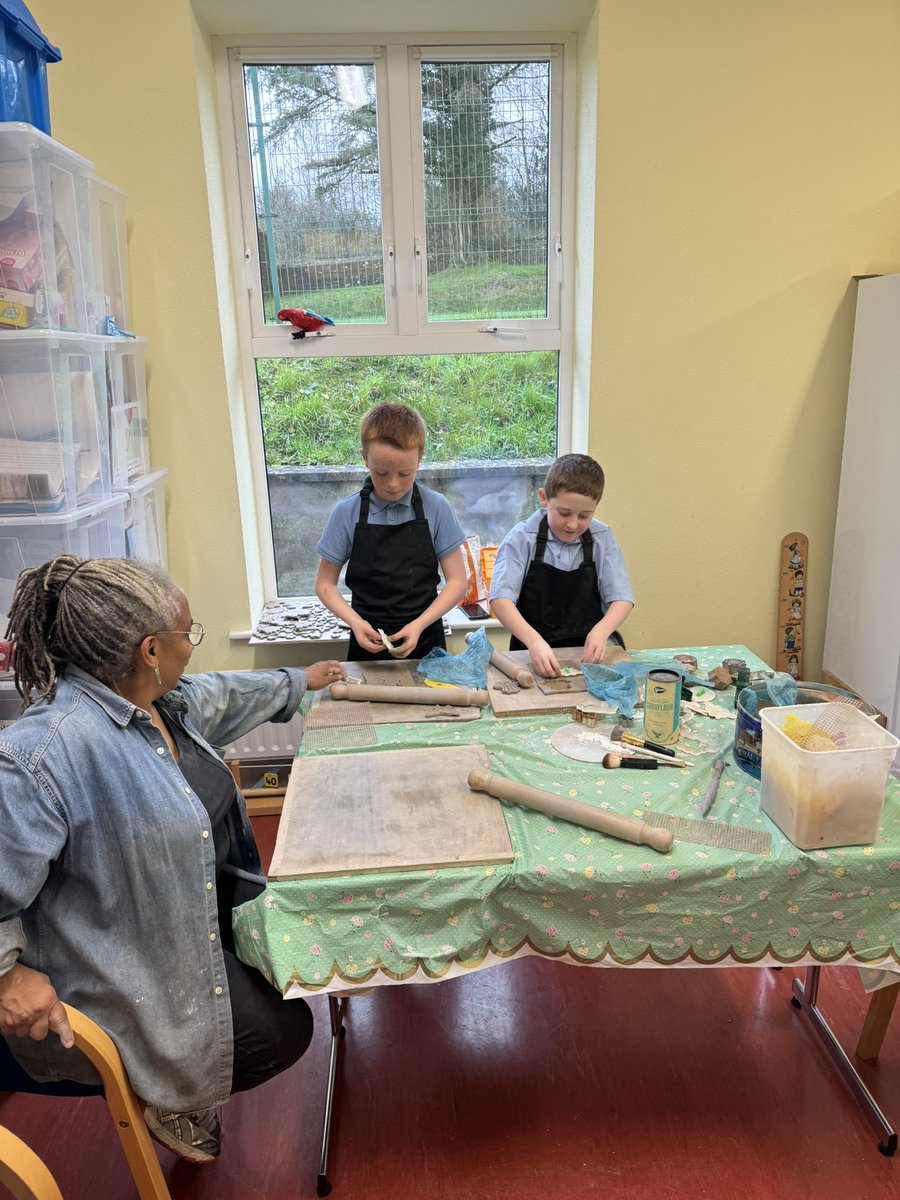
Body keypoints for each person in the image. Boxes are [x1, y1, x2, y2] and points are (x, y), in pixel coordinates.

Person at [0, 555, 347, 1164]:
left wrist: (300, 681)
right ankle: (167, 1095)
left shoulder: (159, 700)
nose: (195, 642)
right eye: (190, 631)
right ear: (151, 650)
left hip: (181, 926)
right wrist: (7, 973)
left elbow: (220, 694)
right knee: (283, 1033)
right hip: (114, 969)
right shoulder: (41, 755)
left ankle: (181, 1075)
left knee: (298, 971)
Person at [314, 402, 467, 660]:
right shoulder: (346, 512)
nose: (393, 484)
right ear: (365, 458)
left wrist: (419, 625)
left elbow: (457, 582)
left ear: (420, 458)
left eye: (405, 473)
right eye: (381, 472)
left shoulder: (437, 507)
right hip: (367, 640)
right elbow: (324, 584)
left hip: (426, 638)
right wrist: (355, 622)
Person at [489, 453, 634, 677]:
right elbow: (500, 601)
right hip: (532, 652)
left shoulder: (602, 537)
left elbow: (622, 599)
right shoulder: (521, 539)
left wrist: (602, 631)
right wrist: (533, 641)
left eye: (585, 515)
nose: (573, 524)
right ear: (544, 498)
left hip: (589, 654)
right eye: (564, 513)